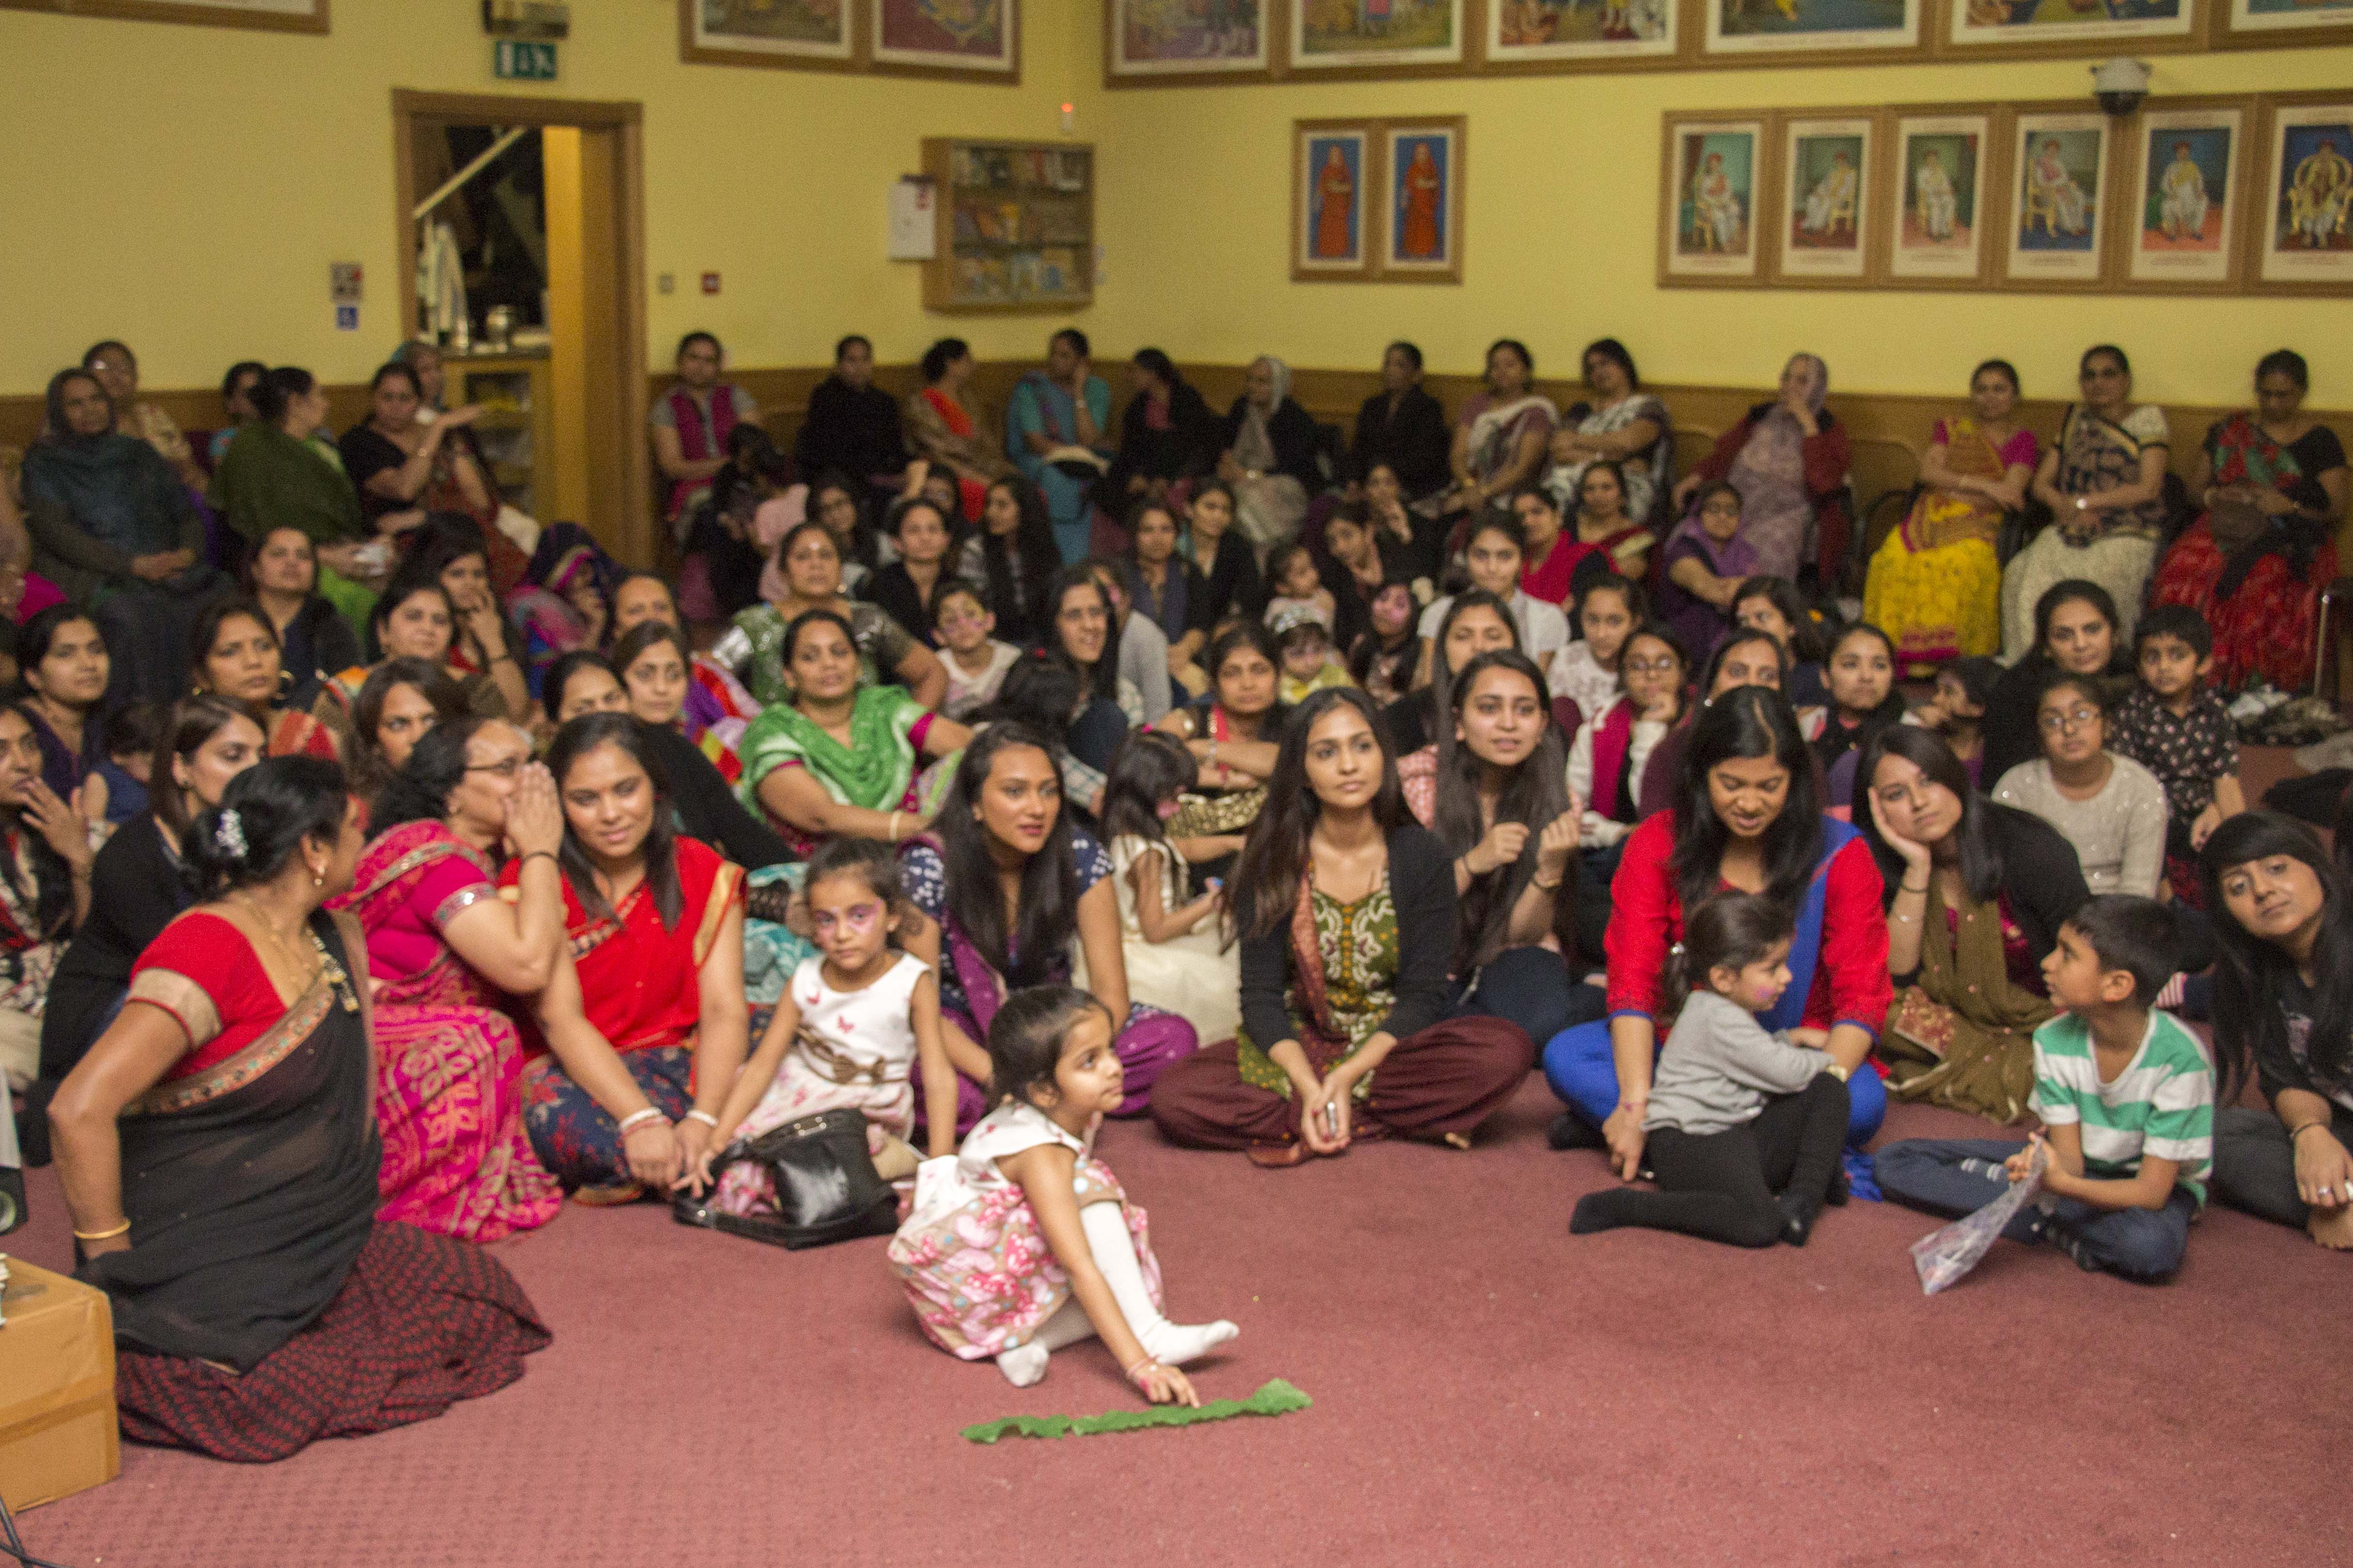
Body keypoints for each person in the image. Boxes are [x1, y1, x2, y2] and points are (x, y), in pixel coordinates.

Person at [49, 755, 547, 1460]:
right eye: (353, 829)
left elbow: (356, 1108)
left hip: (310, 1229)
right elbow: (77, 1109)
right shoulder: (206, 945)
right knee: (261, 1397)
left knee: (477, 1299)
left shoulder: (334, 933)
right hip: (192, 1233)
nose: (363, 843)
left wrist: (336, 1212)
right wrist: (111, 1278)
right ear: (315, 848)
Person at [1148, 688, 1536, 1165]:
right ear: (1302, 771)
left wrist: (1349, 1073)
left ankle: (1322, 1114)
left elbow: (1422, 997)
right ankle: (1364, 1112)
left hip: (1389, 1049)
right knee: (1176, 1096)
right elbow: (1261, 998)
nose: (1349, 765)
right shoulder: (1272, 860)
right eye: (1326, 753)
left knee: (1506, 1050)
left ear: (1383, 756)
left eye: (1362, 746)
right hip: (1299, 1045)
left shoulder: (1423, 857)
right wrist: (1310, 1083)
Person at [1544, 688, 1892, 1161]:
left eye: (1769, 786)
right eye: (1731, 784)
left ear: (1794, 781)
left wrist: (1826, 1088)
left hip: (1791, 1059)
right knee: (1568, 1056)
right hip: (1686, 1053)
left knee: (1862, 1104)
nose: (1749, 803)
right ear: (1701, 776)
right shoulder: (1658, 842)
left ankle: (1673, 1138)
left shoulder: (1840, 852)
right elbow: (1632, 984)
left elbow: (1862, 996)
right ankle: (1737, 1144)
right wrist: (1634, 1100)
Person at [890, 985, 1237, 1399]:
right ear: (1044, 1091)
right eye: (1090, 1062)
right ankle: (1151, 1334)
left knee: (1121, 1283)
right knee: (1091, 1193)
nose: (1114, 1068)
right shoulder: (1042, 1154)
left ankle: (1025, 1344)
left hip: (966, 1304)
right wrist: (1141, 1364)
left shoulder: (1037, 1109)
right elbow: (1077, 1264)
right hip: (971, 1301)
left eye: (1109, 1050)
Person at [1874, 896, 2208, 1284]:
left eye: (2068, 955)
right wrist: (2043, 1169)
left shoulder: (2180, 1060)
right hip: (2081, 1170)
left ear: (2117, 985)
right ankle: (2053, 1222)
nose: (2047, 963)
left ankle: (2039, 1218)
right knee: (1896, 1160)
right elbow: (2071, 1163)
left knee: (2149, 1247)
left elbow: (2151, 1193)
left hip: (2148, 1190)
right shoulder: (2053, 1038)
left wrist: (2059, 1187)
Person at [898, 724, 1201, 1134]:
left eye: (1048, 791)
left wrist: (1078, 1062)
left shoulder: (1079, 855)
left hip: (1054, 1029)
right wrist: (999, 1078)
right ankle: (1058, 1101)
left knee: (1172, 1042)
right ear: (975, 804)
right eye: (1015, 792)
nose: (1037, 809)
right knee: (924, 1079)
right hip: (963, 1029)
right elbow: (923, 1007)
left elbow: (1111, 993)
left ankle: (1042, 1101)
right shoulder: (929, 865)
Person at [508, 715, 748, 1199]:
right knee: (570, 1124)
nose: (611, 814)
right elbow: (559, 1019)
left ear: (655, 788)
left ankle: (695, 1149)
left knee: (793, 1039)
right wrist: (639, 1118)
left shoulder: (701, 866)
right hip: (578, 1068)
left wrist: (705, 1118)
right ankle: (722, 1156)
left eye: (626, 790)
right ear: (559, 806)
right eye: (585, 799)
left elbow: (724, 1008)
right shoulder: (537, 876)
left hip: (677, 1056)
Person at [347, 721, 563, 1241]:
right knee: (486, 1035)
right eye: (508, 768)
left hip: (397, 1045)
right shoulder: (437, 858)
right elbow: (527, 966)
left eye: (533, 765)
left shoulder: (475, 859)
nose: (532, 784)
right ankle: (410, 1206)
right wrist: (541, 851)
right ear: (451, 793)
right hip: (356, 1052)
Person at [28, 696, 262, 1154]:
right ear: (181, 769)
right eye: (234, 756)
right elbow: (189, 965)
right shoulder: (130, 856)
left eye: (261, 754)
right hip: (109, 1007)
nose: (255, 770)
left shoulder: (236, 835)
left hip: (191, 996)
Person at [1569, 893, 1852, 1247]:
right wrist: (1825, 1058)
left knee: (1827, 1090)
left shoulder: (1723, 1010)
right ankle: (1628, 1206)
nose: (1787, 977)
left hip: (1730, 1128)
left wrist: (1788, 1039)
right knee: (1758, 1223)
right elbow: (1789, 1073)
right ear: (1723, 978)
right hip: (1691, 1141)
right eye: (1773, 968)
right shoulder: (1718, 1018)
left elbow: (1750, 1056)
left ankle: (1802, 1202)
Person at [700, 838, 954, 1209]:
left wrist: (941, 1167)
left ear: (893, 916)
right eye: (826, 920)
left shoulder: (912, 982)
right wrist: (718, 1140)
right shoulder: (805, 979)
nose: (842, 934)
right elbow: (762, 1066)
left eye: (859, 916)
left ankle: (889, 1163)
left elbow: (938, 1076)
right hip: (802, 1091)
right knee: (746, 1164)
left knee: (834, 1172)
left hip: (869, 1108)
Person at [1859, 725, 2091, 1125]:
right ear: (1877, 809)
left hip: (2043, 1018)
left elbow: (2091, 956)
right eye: (1896, 795)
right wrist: (1917, 868)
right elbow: (1896, 974)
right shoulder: (1884, 864)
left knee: (2079, 1049)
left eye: (1928, 781)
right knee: (1873, 1002)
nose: (1919, 802)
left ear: (1954, 776)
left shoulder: (2031, 850)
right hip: (1952, 1018)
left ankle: (2011, 1067)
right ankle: (1998, 1065)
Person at [1397, 650, 1596, 1045]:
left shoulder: (1558, 800)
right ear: (1458, 723)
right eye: (1489, 708)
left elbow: (1523, 934)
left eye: (1524, 710)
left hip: (1510, 952)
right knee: (1413, 1029)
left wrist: (1549, 872)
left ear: (1542, 725)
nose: (1508, 724)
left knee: (1537, 1029)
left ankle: (1579, 1000)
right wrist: (1473, 863)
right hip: (1429, 953)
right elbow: (1407, 912)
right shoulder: (1419, 784)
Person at [20, 368, 222, 707]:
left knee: (220, 596)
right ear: (58, 412)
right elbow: (58, 535)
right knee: (129, 614)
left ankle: (211, 712)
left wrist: (187, 553)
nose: (90, 410)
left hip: (165, 567)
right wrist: (132, 565)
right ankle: (143, 720)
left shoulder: (140, 453)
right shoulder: (44, 463)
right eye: (76, 404)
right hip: (96, 573)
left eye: (97, 399)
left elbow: (185, 512)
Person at [2151, 350, 2347, 693]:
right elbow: (2194, 491)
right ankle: (2182, 677)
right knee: (2183, 566)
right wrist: (2215, 497)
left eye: (2282, 395)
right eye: (2265, 394)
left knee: (2259, 580)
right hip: (2223, 524)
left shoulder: (2320, 441)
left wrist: (2288, 506)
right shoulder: (2230, 432)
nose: (2272, 403)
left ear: (2301, 393)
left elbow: (2337, 508)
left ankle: (2246, 685)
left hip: (2289, 536)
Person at [2199, 814, 2353, 1248]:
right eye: (2238, 887)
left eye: (2277, 868)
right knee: (2211, 1133)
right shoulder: (2257, 975)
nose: (2263, 890)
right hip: (2345, 1128)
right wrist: (2310, 1133)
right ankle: (2338, 1199)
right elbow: (2284, 1078)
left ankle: (2337, 1203)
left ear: (2317, 867)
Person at [740, 608, 971, 856]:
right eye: (810, 657)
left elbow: (973, 747)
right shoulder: (772, 733)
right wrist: (928, 828)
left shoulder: (883, 709)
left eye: (840, 653)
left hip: (918, 852)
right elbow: (823, 817)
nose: (829, 664)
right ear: (789, 675)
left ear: (859, 666)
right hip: (829, 869)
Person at [1862, 361, 2037, 676]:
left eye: (1999, 389)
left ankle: (1945, 661)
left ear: (2015, 396)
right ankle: (1888, 655)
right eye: (1982, 390)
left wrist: (1953, 488)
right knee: (1890, 558)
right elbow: (1928, 473)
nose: (1990, 397)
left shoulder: (2023, 441)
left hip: (1983, 522)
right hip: (1930, 515)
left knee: (1958, 564)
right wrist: (1984, 485)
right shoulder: (1952, 428)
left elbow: (2011, 494)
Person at [2005, 345, 2171, 661]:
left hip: (2129, 528)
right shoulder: (2076, 421)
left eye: (2109, 374)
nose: (2098, 383)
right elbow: (2040, 483)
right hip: (2071, 525)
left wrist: (2085, 503)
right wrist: (2065, 506)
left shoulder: (2148, 419)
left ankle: (2100, 663)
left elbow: (2149, 488)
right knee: (2020, 573)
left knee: (2097, 578)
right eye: (2090, 376)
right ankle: (2035, 666)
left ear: (2126, 381)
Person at [575, 635, 794, 873]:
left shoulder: (674, 745)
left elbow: (737, 827)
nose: (661, 688)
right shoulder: (558, 782)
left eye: (611, 699)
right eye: (583, 708)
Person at [211, 367, 383, 632]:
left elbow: (344, 510)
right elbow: (256, 530)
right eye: (320, 395)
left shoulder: (322, 448)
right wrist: (325, 557)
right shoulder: (252, 448)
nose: (327, 404)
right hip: (286, 561)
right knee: (357, 599)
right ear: (295, 403)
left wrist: (371, 545)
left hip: (340, 550)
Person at [1099, 731, 1240, 1046]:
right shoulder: (1147, 855)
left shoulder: (1123, 833)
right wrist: (1212, 901)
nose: (1178, 808)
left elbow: (1179, 848)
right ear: (1146, 793)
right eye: (1173, 798)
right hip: (1149, 956)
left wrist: (1231, 842)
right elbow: (1156, 930)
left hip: (1125, 944)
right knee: (1225, 976)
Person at [714, 521, 945, 710]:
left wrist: (904, 735)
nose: (816, 565)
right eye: (803, 557)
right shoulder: (756, 624)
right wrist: (744, 735)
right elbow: (706, 682)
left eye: (826, 556)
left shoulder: (867, 619)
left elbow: (932, 673)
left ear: (841, 568)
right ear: (784, 573)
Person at [1672, 353, 1849, 587]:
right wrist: (1696, 477)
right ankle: (1705, 602)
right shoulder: (1760, 416)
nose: (1791, 386)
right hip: (1736, 504)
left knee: (1770, 549)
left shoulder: (1829, 430)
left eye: (1802, 381)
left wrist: (1808, 425)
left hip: (1787, 514)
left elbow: (1824, 483)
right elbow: (1723, 454)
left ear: (1817, 387)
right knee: (1687, 536)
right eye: (1787, 378)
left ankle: (1753, 605)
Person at [2109, 605, 2242, 905]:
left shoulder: (2216, 712)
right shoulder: (2132, 714)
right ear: (2140, 667)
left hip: (2203, 814)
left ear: (2204, 663)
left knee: (2238, 853)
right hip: (2153, 817)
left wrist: (2229, 826)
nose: (2164, 667)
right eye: (2152, 658)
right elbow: (2128, 787)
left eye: (2177, 655)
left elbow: (2227, 782)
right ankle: (2171, 907)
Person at [1993, 671, 2165, 900]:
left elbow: (2139, 890)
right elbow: (2010, 881)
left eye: (2082, 715)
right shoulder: (2016, 789)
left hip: (2122, 913)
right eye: (2052, 721)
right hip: (2041, 911)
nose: (2069, 730)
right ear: (2039, 736)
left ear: (2107, 726)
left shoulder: (2140, 788)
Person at [0, 700, 94, 1112]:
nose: (23, 764)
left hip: (67, 988)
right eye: (1, 752)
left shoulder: (57, 825)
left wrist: (78, 859)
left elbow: (91, 938)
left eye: (29, 745)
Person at [313, 570, 508, 753]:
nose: (428, 629)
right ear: (383, 631)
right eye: (414, 617)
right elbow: (329, 767)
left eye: (440, 621)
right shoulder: (345, 694)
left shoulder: (477, 691)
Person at [1154, 621, 1288, 856]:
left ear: (1279, 676)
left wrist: (1203, 749)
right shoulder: (1188, 723)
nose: (1247, 684)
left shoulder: (1295, 722)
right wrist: (1220, 779)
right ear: (1214, 683)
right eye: (1232, 673)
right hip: (1189, 858)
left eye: (1259, 670)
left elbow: (1286, 760)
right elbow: (1146, 763)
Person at [1980, 580, 2132, 787]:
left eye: (2092, 630)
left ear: (2115, 635)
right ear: (2046, 647)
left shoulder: (2140, 682)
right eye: (2064, 636)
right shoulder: (2017, 695)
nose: (2081, 644)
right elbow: (2005, 782)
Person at [1568, 622, 1687, 855]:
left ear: (1683, 671)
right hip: (1611, 848)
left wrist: (1651, 726)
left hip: (1678, 849)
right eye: (1638, 666)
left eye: (1664, 664)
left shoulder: (1698, 723)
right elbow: (1570, 809)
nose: (1652, 675)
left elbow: (1652, 809)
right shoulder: (1600, 725)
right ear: (1623, 674)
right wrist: (1615, 833)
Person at [1415, 515, 1570, 683]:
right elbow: (1430, 685)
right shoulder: (1439, 612)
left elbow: (1539, 687)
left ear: (1522, 560)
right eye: (1481, 556)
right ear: (1466, 558)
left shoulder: (1547, 617)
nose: (1492, 568)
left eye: (1505, 556)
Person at [337, 363, 486, 535]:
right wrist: (438, 427)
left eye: (405, 398)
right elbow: (405, 490)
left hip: (456, 525)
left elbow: (481, 501)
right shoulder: (358, 442)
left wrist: (427, 517)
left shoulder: (437, 434)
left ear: (418, 401)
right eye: (387, 398)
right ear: (373, 398)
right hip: (394, 538)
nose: (395, 407)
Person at [186, 597, 339, 761]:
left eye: (264, 646)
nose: (254, 661)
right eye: (230, 652)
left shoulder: (311, 735)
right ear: (201, 676)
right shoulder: (189, 743)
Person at [1542, 338, 1672, 527]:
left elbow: (1628, 442)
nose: (1598, 372)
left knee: (1610, 493)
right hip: (1576, 477)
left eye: (1605, 364)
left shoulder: (1649, 406)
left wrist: (1577, 440)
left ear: (1624, 366)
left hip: (1629, 484)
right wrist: (1607, 458)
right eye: (1592, 368)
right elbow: (1560, 449)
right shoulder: (1581, 410)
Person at [1384, 588, 1518, 756]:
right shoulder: (1403, 718)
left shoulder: (1533, 711)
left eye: (1493, 636)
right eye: (1463, 636)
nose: (1479, 647)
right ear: (1444, 647)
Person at [1435, 339, 1554, 524]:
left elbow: (1523, 468)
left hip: (1513, 495)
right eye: (1495, 366)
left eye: (1510, 365)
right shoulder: (1477, 405)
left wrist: (1484, 493)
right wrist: (1469, 486)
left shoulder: (1536, 412)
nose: (1502, 371)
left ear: (1526, 372)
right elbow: (1458, 455)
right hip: (1468, 487)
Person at [650, 331, 760, 533]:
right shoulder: (666, 407)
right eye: (693, 358)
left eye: (709, 361)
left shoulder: (736, 397)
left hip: (743, 483)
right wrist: (729, 463)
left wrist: (734, 466)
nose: (700, 367)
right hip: (694, 492)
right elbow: (673, 467)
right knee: (713, 515)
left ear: (718, 366)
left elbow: (755, 448)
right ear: (679, 361)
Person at [241, 525, 360, 709]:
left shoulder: (332, 626)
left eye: (303, 556)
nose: (292, 562)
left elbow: (354, 689)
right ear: (255, 568)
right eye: (279, 554)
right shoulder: (230, 622)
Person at [1214, 355, 1318, 553]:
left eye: (1262, 382)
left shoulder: (1294, 417)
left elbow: (1295, 466)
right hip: (1238, 476)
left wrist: (1249, 475)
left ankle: (1263, 554)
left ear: (1278, 385)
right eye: (1250, 380)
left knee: (1247, 499)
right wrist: (1227, 461)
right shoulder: (1242, 408)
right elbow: (1224, 441)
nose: (1252, 387)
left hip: (1283, 483)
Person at [507, 520, 620, 700]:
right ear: (551, 569)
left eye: (585, 572)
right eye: (570, 572)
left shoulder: (590, 606)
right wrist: (595, 627)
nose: (580, 582)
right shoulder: (533, 610)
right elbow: (568, 682)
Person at [907, 338, 1014, 525]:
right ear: (951, 364)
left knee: (1022, 488)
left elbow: (986, 443)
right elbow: (937, 451)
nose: (974, 365)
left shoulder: (969, 399)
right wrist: (979, 476)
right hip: (946, 470)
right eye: (968, 359)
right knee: (979, 492)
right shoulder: (922, 403)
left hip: (981, 465)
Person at [77, 340, 204, 493]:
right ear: (86, 378)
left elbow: (187, 464)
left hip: (170, 494)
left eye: (124, 368)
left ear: (136, 378)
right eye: (102, 367)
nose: (115, 375)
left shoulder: (154, 414)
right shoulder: (79, 420)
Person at [14, 603, 110, 799]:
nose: (89, 664)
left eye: (96, 650)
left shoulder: (112, 723)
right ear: (34, 676)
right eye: (66, 654)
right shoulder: (19, 729)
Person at [342, 658, 466, 808]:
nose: (418, 737)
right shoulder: (356, 814)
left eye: (431, 721)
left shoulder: (487, 802)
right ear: (374, 742)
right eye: (398, 725)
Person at [793, 334, 909, 494]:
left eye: (865, 360)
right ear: (839, 365)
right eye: (852, 360)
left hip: (883, 475)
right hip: (841, 477)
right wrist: (874, 478)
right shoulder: (825, 398)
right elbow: (829, 451)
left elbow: (895, 445)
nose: (859, 367)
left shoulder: (885, 401)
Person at [1104, 348, 1219, 508]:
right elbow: (1131, 448)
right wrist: (1138, 475)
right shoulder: (1137, 407)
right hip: (1147, 471)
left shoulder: (1187, 399)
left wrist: (1168, 478)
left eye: (1136, 371)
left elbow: (1199, 445)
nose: (1131, 377)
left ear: (1152, 374)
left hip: (1183, 470)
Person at [1652, 483, 1755, 660]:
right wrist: (1750, 587)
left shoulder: (1746, 554)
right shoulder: (1683, 550)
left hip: (1729, 647)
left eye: (1731, 511)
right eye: (1713, 509)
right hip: (1684, 648)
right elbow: (1712, 590)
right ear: (1698, 514)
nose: (1722, 517)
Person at [1048, 566, 1145, 747]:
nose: (1089, 625)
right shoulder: (1032, 691)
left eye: (1096, 613)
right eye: (1074, 615)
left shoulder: (1125, 694)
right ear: (1053, 624)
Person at [959, 475, 1059, 646]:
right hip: (992, 638)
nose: (991, 513)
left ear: (1025, 510)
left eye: (1002, 505)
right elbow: (971, 605)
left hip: (1040, 638)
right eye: (989, 504)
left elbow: (1053, 603)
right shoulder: (976, 550)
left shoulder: (1042, 548)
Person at [1813, 623, 1906, 802]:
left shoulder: (1911, 731)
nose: (1866, 677)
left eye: (1879, 666)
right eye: (1851, 665)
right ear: (1825, 677)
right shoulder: (1806, 727)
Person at [1121, 498, 1209, 682]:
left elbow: (1199, 624)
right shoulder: (1118, 573)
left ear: (1177, 534)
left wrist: (1184, 650)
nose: (1158, 539)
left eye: (1166, 530)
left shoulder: (1189, 572)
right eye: (1148, 530)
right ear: (1135, 535)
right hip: (1128, 663)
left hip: (1179, 660)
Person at [1351, 341, 1452, 502]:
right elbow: (1359, 450)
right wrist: (1355, 482)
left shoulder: (1429, 408)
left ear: (1417, 374)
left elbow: (1425, 459)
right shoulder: (1372, 406)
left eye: (1400, 365)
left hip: (1411, 486)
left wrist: (1386, 481)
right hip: (1370, 482)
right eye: (1387, 364)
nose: (1391, 370)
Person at [1548, 572, 1641, 730]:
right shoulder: (1568, 659)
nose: (1601, 634)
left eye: (1614, 622)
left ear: (1634, 623)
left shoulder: (1645, 664)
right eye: (1592, 620)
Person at [863, 495, 958, 645]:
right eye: (914, 531)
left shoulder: (958, 586)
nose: (925, 538)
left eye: (933, 530)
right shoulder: (880, 585)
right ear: (897, 542)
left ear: (946, 539)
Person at [1728, 575, 1830, 709]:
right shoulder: (1730, 677)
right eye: (1743, 621)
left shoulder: (1817, 680)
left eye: (1762, 617)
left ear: (1792, 625)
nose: (1751, 628)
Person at [1181, 479, 1265, 634]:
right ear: (1189, 509)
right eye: (1210, 507)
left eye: (1225, 510)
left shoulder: (1238, 547)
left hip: (1221, 632)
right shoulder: (1173, 543)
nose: (1218, 516)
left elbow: (1251, 601)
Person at [934, 580, 1022, 721]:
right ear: (939, 635)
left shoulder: (1014, 661)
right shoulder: (933, 669)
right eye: (951, 620)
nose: (962, 625)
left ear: (989, 621)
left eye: (970, 614)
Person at [1907, 654, 1998, 786]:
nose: (1936, 699)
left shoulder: (1996, 756)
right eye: (1938, 691)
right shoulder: (1923, 735)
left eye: (1949, 692)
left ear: (1978, 707)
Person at [1564, 461, 1656, 588]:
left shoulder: (1638, 538)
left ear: (1622, 493)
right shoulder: (1566, 527)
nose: (1598, 496)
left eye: (1607, 487)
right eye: (1590, 489)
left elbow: (1618, 581)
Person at [1349, 577, 1422, 709]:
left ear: (1413, 615)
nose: (1387, 608)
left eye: (1400, 605)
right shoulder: (1361, 643)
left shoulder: (1421, 657)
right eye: (1383, 599)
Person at [1263, 540, 1336, 632]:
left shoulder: (1324, 597)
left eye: (1312, 566)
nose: (1312, 575)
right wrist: (1322, 612)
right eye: (1302, 573)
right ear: (1283, 587)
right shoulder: (1278, 607)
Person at [208, 361, 267, 470]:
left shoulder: (282, 435)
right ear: (231, 403)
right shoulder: (226, 440)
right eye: (247, 394)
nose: (256, 399)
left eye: (260, 392)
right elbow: (225, 475)